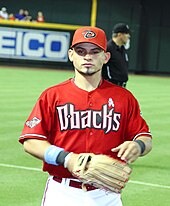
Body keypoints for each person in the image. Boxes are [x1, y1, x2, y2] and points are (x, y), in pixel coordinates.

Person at [19, 26, 152, 206]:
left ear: (106, 57)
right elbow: (31, 141)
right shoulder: (52, 96)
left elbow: (145, 138)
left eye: (95, 51)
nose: (87, 57)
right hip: (62, 192)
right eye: (81, 51)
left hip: (107, 194)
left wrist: (138, 145)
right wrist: (67, 159)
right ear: (71, 55)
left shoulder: (124, 98)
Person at [102, 23, 131, 88]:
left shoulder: (122, 49)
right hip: (111, 86)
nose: (128, 36)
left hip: (122, 86)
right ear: (119, 35)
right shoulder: (108, 48)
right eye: (126, 33)